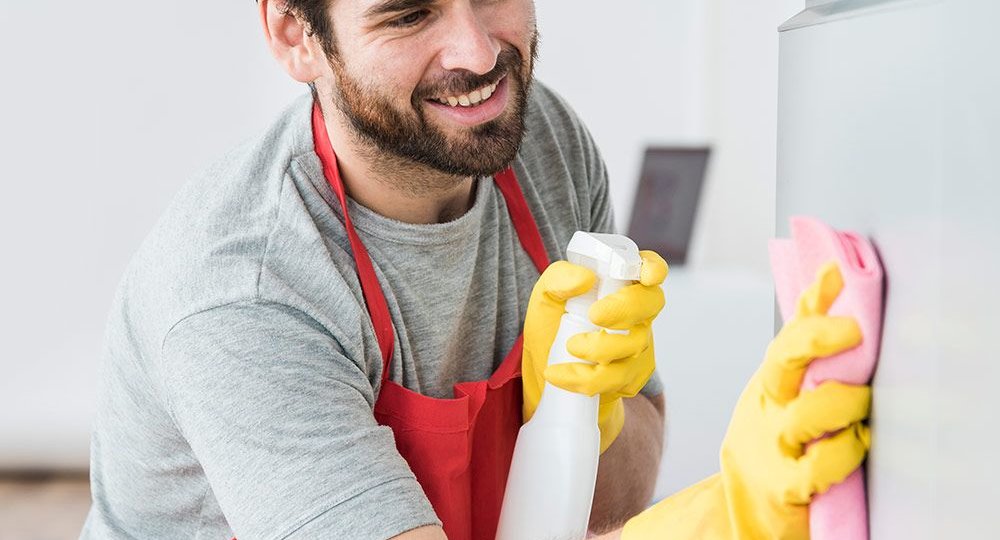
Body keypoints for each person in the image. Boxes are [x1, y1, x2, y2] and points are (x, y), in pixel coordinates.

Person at [82, 1, 871, 539]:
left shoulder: (545, 147)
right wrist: (724, 515)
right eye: (409, 11)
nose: (480, 54)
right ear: (296, 33)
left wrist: (580, 413)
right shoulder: (246, 295)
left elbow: (613, 501)